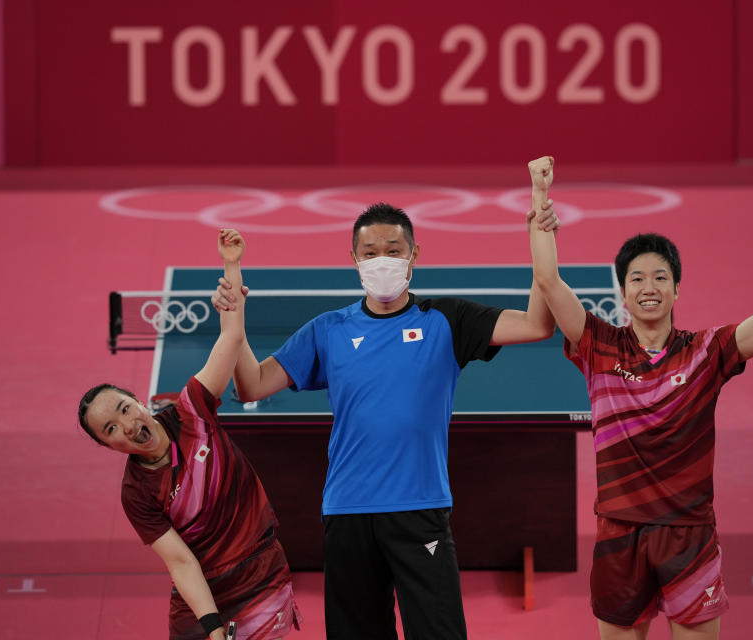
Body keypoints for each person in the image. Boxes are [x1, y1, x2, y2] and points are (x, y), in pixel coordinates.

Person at [211, 202, 559, 639]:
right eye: (370, 252)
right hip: (347, 511)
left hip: (420, 509)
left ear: (415, 255)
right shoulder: (329, 329)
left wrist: (540, 242)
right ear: (353, 259)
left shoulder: (447, 321)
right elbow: (252, 385)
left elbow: (537, 325)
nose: (382, 261)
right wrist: (233, 320)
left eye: (394, 250)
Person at [525, 157, 753, 639]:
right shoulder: (599, 346)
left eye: (660, 278)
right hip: (619, 533)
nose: (649, 287)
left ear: (677, 289)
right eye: (637, 279)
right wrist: (538, 200)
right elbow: (549, 282)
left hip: (689, 535)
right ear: (623, 293)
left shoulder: (707, 351)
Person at [78, 229, 301, 640]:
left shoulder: (191, 410)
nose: (127, 426)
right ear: (106, 445)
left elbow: (230, 338)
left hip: (260, 570)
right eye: (111, 429)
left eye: (126, 409)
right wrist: (213, 628)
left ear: (140, 402)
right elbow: (181, 563)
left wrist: (231, 264)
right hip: (203, 599)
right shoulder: (137, 492)